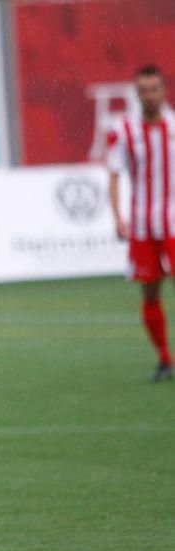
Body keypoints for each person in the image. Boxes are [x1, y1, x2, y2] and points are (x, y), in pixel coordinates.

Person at [108, 64, 175, 382]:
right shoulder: (124, 131)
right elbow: (113, 174)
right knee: (150, 293)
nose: (150, 95)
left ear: (164, 91)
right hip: (142, 224)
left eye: (154, 89)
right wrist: (118, 217)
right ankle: (165, 359)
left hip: (174, 222)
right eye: (144, 90)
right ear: (137, 94)